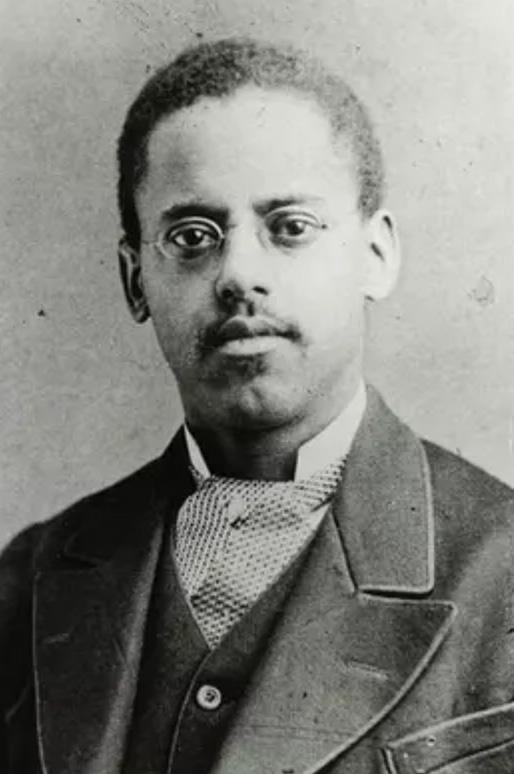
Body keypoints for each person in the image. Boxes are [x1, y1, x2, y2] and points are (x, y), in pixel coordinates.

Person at [1, 37, 513, 774]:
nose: (239, 274)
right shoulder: (28, 578)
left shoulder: (504, 568)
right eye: (192, 237)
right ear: (136, 280)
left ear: (376, 255)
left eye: (290, 228)